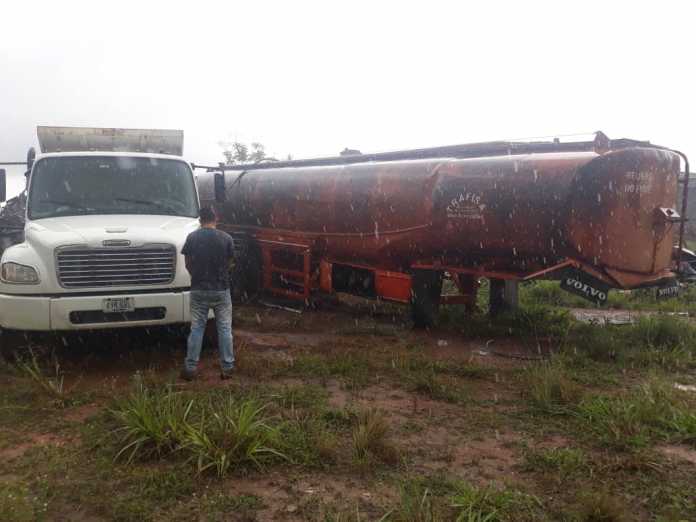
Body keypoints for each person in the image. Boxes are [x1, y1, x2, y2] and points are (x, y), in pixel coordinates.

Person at [180, 206, 236, 380]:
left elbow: (187, 262)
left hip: (198, 289)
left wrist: (195, 275)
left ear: (200, 220)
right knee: (225, 329)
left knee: (197, 328)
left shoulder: (192, 237)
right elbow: (231, 262)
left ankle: (190, 368)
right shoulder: (226, 238)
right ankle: (227, 368)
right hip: (221, 290)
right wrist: (221, 275)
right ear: (216, 218)